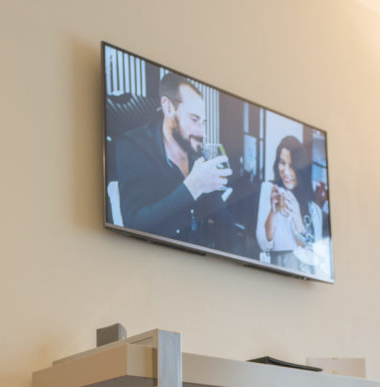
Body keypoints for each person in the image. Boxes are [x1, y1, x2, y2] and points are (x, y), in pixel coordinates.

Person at [114, 72, 236, 247]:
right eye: (194, 120)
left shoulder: (197, 157)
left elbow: (225, 227)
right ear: (168, 107)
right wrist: (192, 187)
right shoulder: (132, 146)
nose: (203, 133)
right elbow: (134, 224)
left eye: (203, 122)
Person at [256, 135, 326, 274]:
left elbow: (314, 260)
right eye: (282, 163)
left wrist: (297, 218)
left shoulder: (314, 210)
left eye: (292, 166)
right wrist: (273, 213)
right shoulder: (268, 189)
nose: (286, 172)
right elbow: (263, 245)